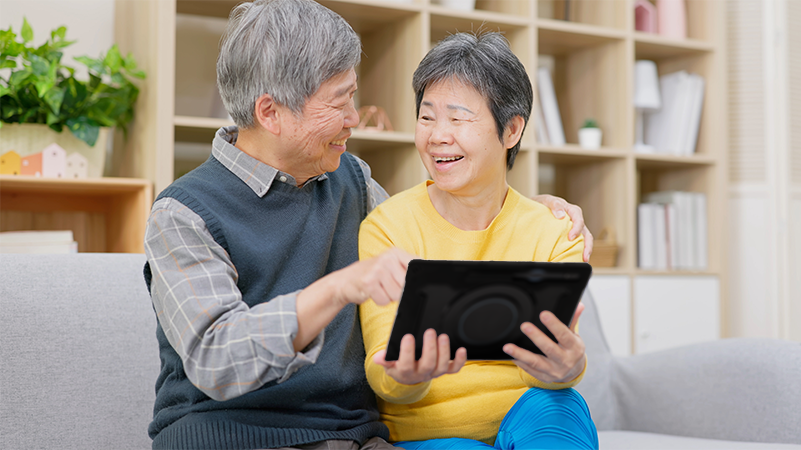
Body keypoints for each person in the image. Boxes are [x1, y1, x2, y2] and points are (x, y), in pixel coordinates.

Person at [142, 1, 592, 449]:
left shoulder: (352, 182)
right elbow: (217, 360)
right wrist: (338, 288)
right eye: (339, 101)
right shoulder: (183, 213)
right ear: (270, 112)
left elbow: (438, 213)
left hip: (353, 438)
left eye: (352, 97)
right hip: (230, 437)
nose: (354, 119)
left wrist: (528, 209)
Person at [358, 31, 598, 450]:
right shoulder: (387, 226)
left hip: (529, 411)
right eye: (427, 117)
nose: (437, 135)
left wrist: (568, 368)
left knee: (561, 407)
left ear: (511, 130)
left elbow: (548, 365)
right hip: (429, 431)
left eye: (458, 118)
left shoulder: (556, 231)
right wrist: (403, 373)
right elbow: (382, 369)